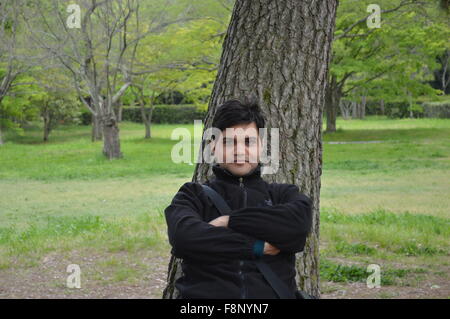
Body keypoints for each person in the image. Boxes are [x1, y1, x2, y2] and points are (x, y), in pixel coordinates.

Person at [164, 99, 312, 299]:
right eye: (228, 142)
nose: (239, 151)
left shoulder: (282, 195)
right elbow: (184, 238)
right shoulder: (193, 195)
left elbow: (297, 227)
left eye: (248, 141)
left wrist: (229, 221)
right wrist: (256, 246)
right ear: (213, 146)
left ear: (262, 146)